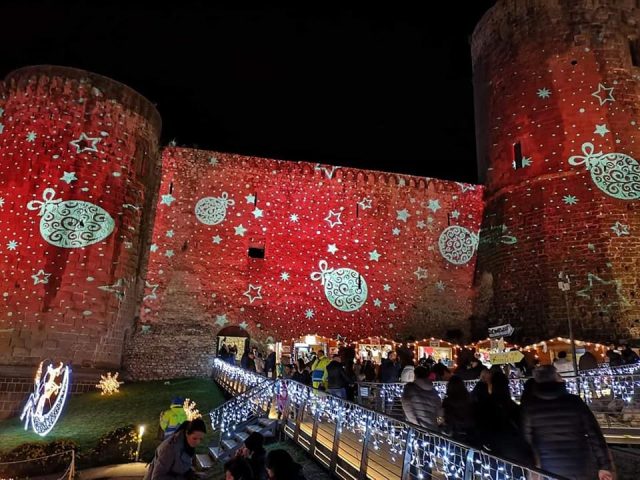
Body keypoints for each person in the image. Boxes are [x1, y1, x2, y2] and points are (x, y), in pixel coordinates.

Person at [522, 365, 614, 480]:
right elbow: (594, 434)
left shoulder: (530, 407)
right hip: (581, 465)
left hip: (550, 468)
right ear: (556, 378)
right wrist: (604, 466)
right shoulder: (574, 402)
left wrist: (533, 467)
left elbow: (526, 441)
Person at [475, 371, 533, 465]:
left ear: (492, 386)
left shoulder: (485, 406)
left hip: (493, 453)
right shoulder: (515, 407)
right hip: (515, 455)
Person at [442, 375, 475, 444]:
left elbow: (446, 417)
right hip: (469, 431)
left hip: (455, 432)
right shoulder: (470, 398)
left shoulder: (447, 401)